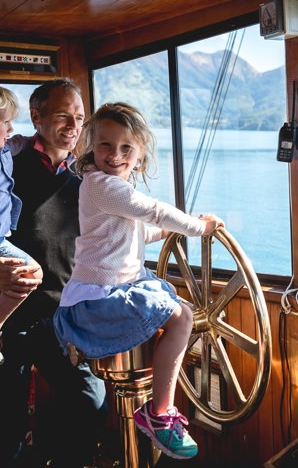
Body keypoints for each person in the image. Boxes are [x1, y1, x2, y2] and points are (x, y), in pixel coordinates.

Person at [53, 102, 224, 460]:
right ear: (91, 146)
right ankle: (159, 414)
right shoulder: (102, 185)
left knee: (175, 310)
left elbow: (131, 233)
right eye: (105, 145)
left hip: (111, 289)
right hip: (100, 298)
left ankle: (155, 411)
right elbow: (155, 210)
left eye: (126, 147)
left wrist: (164, 232)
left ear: (140, 154)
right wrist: (200, 228)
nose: (115, 155)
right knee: (183, 317)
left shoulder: (107, 189)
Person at [0, 79, 108, 468]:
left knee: (89, 400)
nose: (73, 124)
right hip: (9, 317)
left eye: (79, 117)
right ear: (36, 116)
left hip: (57, 318)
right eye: (64, 114)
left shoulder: (83, 179)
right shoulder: (7, 165)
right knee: (6, 427)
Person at [0, 87, 43, 366]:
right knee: (31, 271)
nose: (11, 127)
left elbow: (23, 142)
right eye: (5, 122)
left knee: (30, 274)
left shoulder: (6, 147)